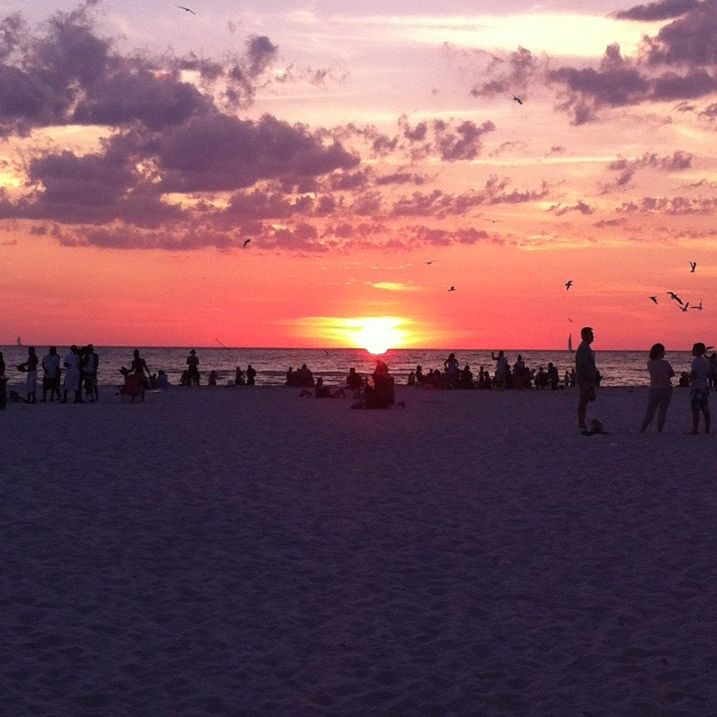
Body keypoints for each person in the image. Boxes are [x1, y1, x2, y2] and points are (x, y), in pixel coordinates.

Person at [640, 343, 674, 433]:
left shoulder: (649, 363)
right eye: (663, 351)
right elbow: (672, 374)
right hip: (666, 388)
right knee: (662, 410)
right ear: (659, 352)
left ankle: (643, 428)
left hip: (654, 388)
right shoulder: (665, 362)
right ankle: (659, 430)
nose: (664, 353)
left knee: (650, 410)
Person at [575, 326, 597, 430]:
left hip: (587, 380)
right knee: (583, 402)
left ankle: (582, 423)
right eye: (591, 334)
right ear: (584, 336)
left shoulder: (586, 348)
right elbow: (582, 367)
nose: (593, 336)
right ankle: (581, 423)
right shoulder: (583, 349)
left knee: (586, 401)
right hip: (585, 380)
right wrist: (586, 381)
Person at [689, 342, 711, 434]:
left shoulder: (695, 361)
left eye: (693, 349)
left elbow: (694, 374)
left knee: (695, 409)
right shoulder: (706, 361)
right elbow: (708, 374)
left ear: (697, 351)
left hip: (697, 387)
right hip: (704, 386)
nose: (692, 351)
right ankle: (707, 429)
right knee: (705, 408)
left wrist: (689, 379)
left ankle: (695, 430)